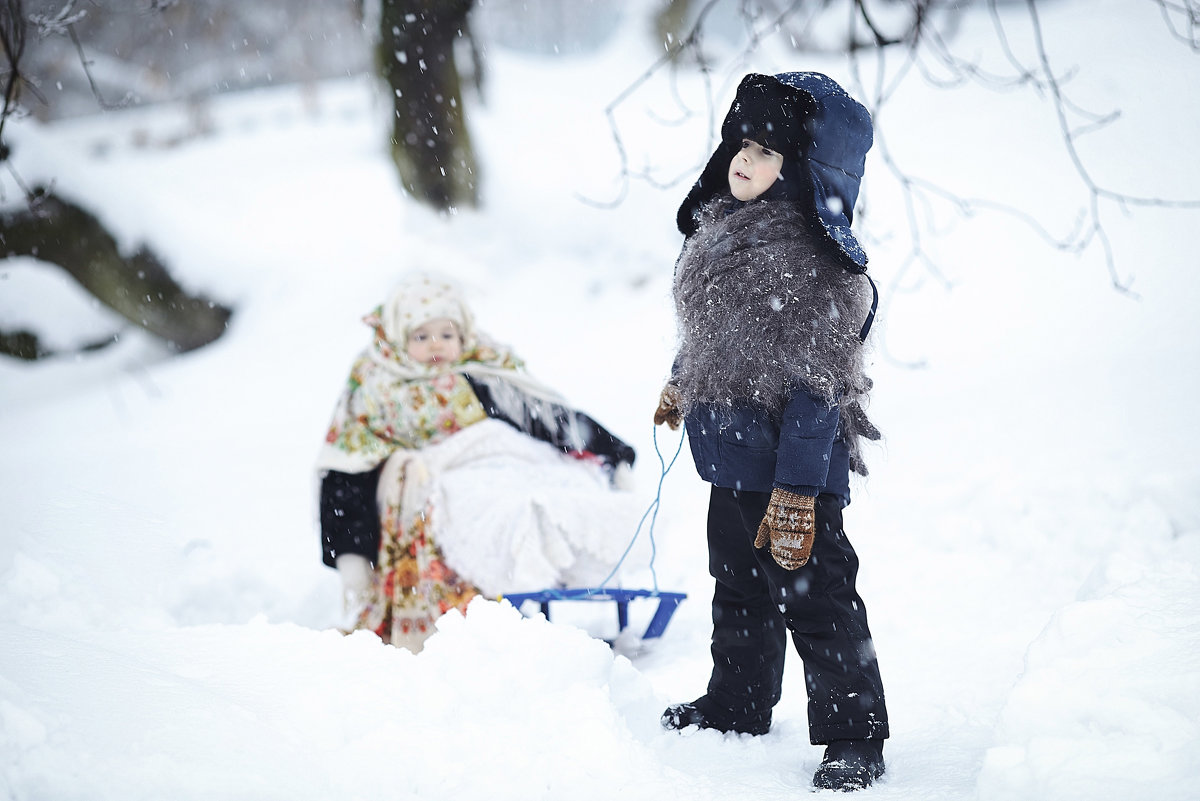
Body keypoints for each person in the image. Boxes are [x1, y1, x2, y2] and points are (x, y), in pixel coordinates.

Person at [654, 72, 889, 791]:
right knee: (738, 587)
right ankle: (740, 701)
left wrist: (795, 488)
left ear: (805, 169)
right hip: (729, 461)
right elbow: (710, 337)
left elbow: (821, 389)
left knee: (817, 601)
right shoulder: (721, 236)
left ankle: (854, 734)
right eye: (740, 143)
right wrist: (680, 380)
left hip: (795, 476)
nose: (743, 160)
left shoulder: (816, 268)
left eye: (765, 150)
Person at [317, 273, 637, 653]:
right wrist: (352, 554)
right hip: (429, 472)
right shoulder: (375, 382)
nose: (436, 345)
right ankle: (458, 615)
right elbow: (346, 467)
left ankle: (557, 548)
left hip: (496, 459)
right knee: (460, 502)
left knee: (541, 489)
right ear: (400, 338)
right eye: (421, 337)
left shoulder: (481, 369)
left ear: (464, 335)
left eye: (447, 335)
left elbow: (543, 417)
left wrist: (611, 449)